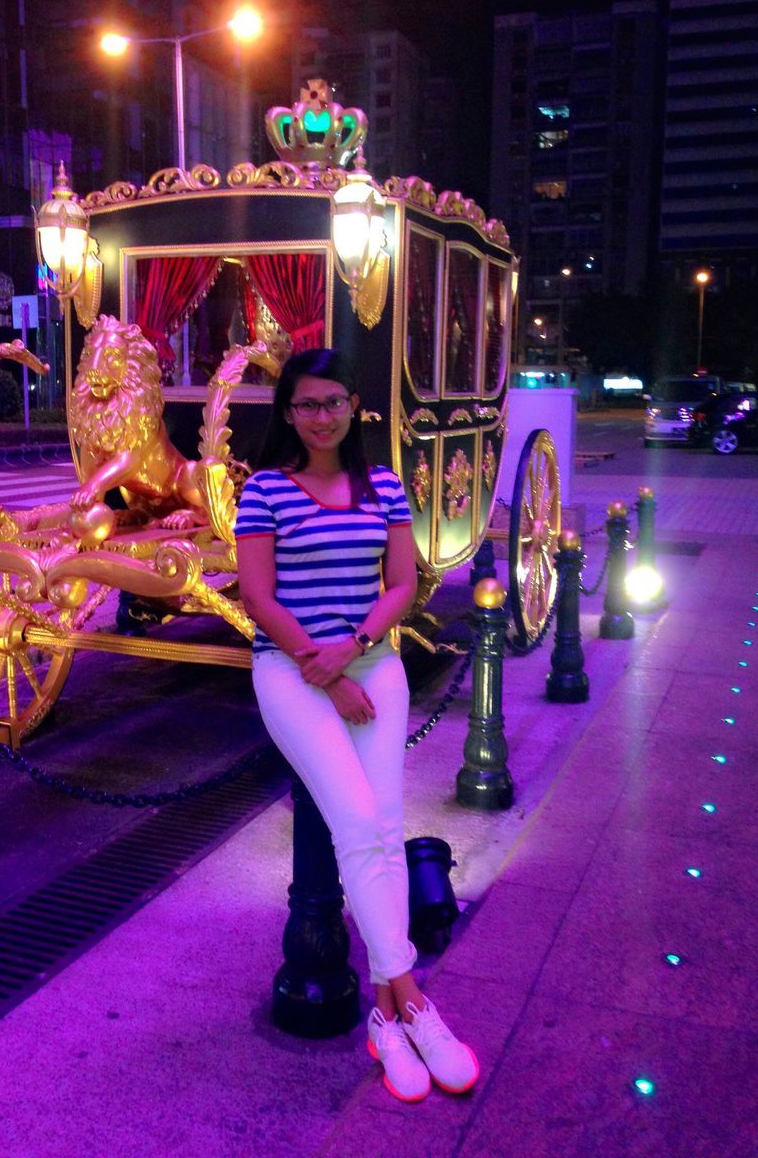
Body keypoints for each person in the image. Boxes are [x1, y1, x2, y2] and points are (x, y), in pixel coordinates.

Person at [235, 347, 479, 1104]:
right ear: (287, 413)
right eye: (306, 405)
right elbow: (257, 595)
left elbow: (402, 583)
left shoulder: (383, 485)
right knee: (355, 820)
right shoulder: (266, 490)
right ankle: (411, 998)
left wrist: (357, 650)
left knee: (387, 822)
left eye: (333, 401)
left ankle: (384, 1012)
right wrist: (325, 668)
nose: (321, 416)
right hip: (291, 670)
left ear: (353, 407)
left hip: (371, 664)